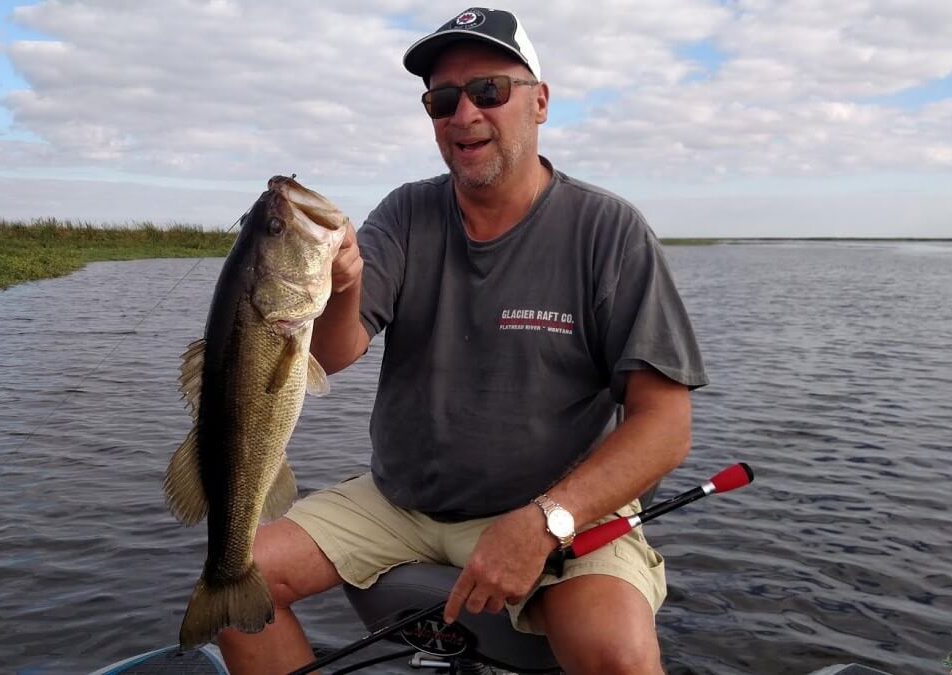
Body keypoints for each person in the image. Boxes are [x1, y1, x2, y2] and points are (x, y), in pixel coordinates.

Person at [217, 8, 708, 674]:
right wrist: (343, 281)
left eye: (488, 91)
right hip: (401, 500)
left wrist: (545, 519)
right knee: (230, 593)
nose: (463, 113)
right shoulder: (406, 213)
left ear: (540, 102)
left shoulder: (609, 231)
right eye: (442, 100)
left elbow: (666, 425)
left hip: (558, 501)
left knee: (616, 654)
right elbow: (332, 353)